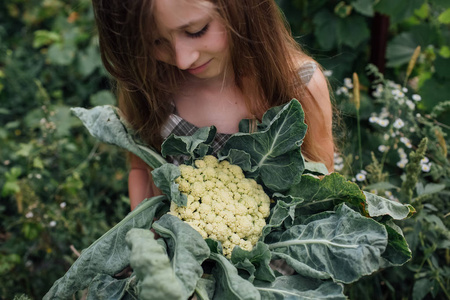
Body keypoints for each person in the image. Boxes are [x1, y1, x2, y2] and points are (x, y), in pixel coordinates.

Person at [92, 0, 335, 211]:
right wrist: (146, 242)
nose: (182, 60)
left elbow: (322, 190)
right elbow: (141, 168)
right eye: (156, 41)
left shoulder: (298, 86)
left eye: (196, 31)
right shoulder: (149, 84)